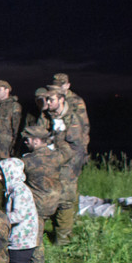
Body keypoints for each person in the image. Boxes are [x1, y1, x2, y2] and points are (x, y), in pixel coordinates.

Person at [20, 124, 71, 263]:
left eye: (28, 139)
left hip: (37, 208)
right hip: (53, 203)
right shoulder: (57, 156)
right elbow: (67, 151)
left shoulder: (28, 161)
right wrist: (60, 135)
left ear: (36, 140)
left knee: (36, 243)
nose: (26, 141)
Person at [39, 87, 87, 246]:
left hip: (67, 166)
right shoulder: (46, 116)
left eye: (51, 100)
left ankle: (63, 241)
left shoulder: (72, 118)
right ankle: (42, 235)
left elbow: (77, 148)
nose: (47, 103)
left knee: (66, 201)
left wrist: (71, 171)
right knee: (48, 198)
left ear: (61, 99)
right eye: (46, 100)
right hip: (50, 165)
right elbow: (40, 135)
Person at [0, 80, 23, 157]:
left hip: (7, 149)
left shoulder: (14, 106)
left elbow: (17, 129)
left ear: (7, 90)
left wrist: (13, 147)